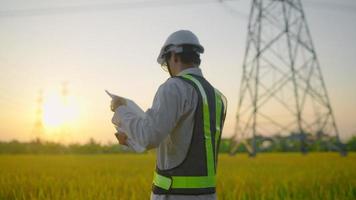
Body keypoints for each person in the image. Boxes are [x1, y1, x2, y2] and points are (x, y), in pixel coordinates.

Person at [110, 30, 227, 200]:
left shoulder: (174, 87)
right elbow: (182, 141)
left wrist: (121, 109)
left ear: (174, 56)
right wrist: (128, 140)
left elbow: (149, 136)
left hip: (175, 195)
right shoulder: (216, 96)